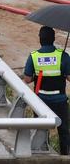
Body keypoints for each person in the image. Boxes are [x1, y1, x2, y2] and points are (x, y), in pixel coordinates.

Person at [24, 25, 70, 155]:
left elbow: (27, 79)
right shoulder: (63, 56)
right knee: (64, 131)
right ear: (53, 39)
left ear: (40, 39)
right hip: (59, 100)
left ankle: (43, 151)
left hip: (40, 100)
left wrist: (39, 75)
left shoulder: (33, 56)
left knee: (40, 129)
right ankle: (65, 156)